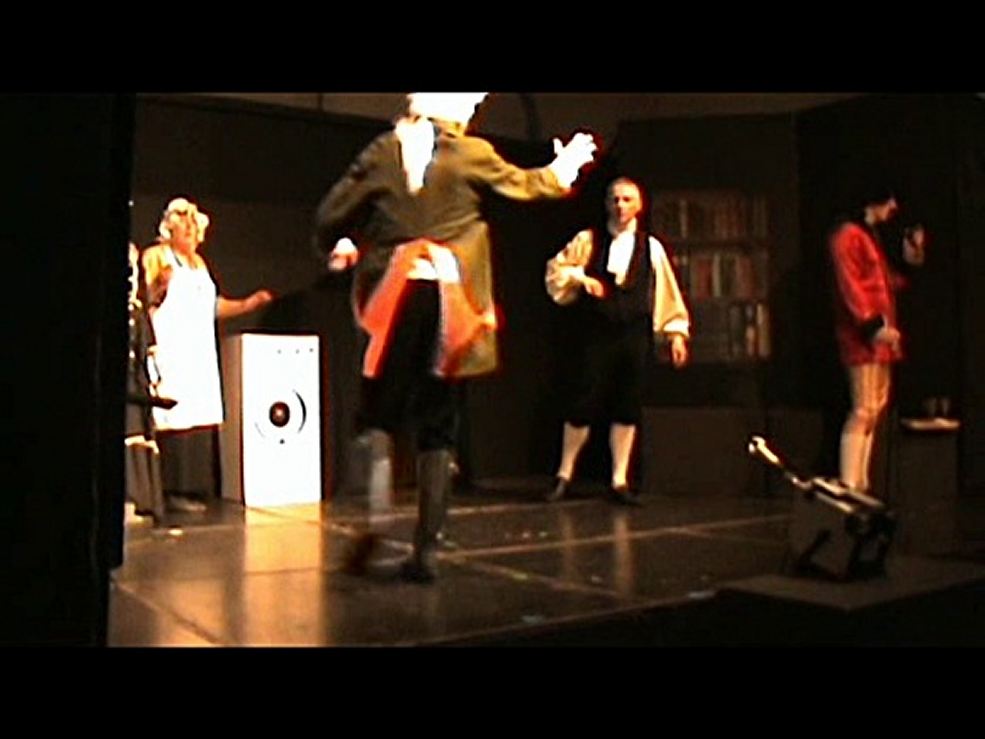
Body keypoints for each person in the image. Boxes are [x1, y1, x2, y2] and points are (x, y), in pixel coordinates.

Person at [315, 92, 597, 581]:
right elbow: (528, 184)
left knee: (378, 414)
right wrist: (565, 165)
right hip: (449, 302)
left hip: (394, 300)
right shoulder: (469, 153)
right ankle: (426, 549)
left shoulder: (384, 150)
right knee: (439, 420)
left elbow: (330, 214)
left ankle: (376, 522)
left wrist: (338, 243)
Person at [544, 177, 690, 506]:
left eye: (627, 199)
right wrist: (582, 279)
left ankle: (619, 479)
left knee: (627, 403)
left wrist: (675, 333)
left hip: (634, 334)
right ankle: (564, 474)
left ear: (639, 205)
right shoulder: (588, 240)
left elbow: (666, 292)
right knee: (583, 400)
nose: (620, 206)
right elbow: (557, 270)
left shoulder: (651, 247)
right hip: (597, 332)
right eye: (615, 199)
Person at [141, 197, 274, 512]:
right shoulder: (157, 256)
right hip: (171, 348)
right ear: (170, 229)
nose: (190, 233)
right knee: (171, 416)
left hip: (197, 351)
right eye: (184, 227)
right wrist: (158, 287)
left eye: (194, 229)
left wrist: (247, 304)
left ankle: (190, 488)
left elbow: (211, 306)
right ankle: (167, 491)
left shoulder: (199, 264)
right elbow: (143, 297)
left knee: (196, 415)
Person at [829, 185, 926, 495]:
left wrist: (909, 262)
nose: (893, 207)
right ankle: (849, 481)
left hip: (878, 336)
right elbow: (851, 286)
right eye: (889, 200)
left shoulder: (867, 235)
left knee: (874, 409)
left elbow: (883, 282)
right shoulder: (848, 236)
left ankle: (860, 480)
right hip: (861, 336)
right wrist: (871, 325)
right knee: (863, 408)